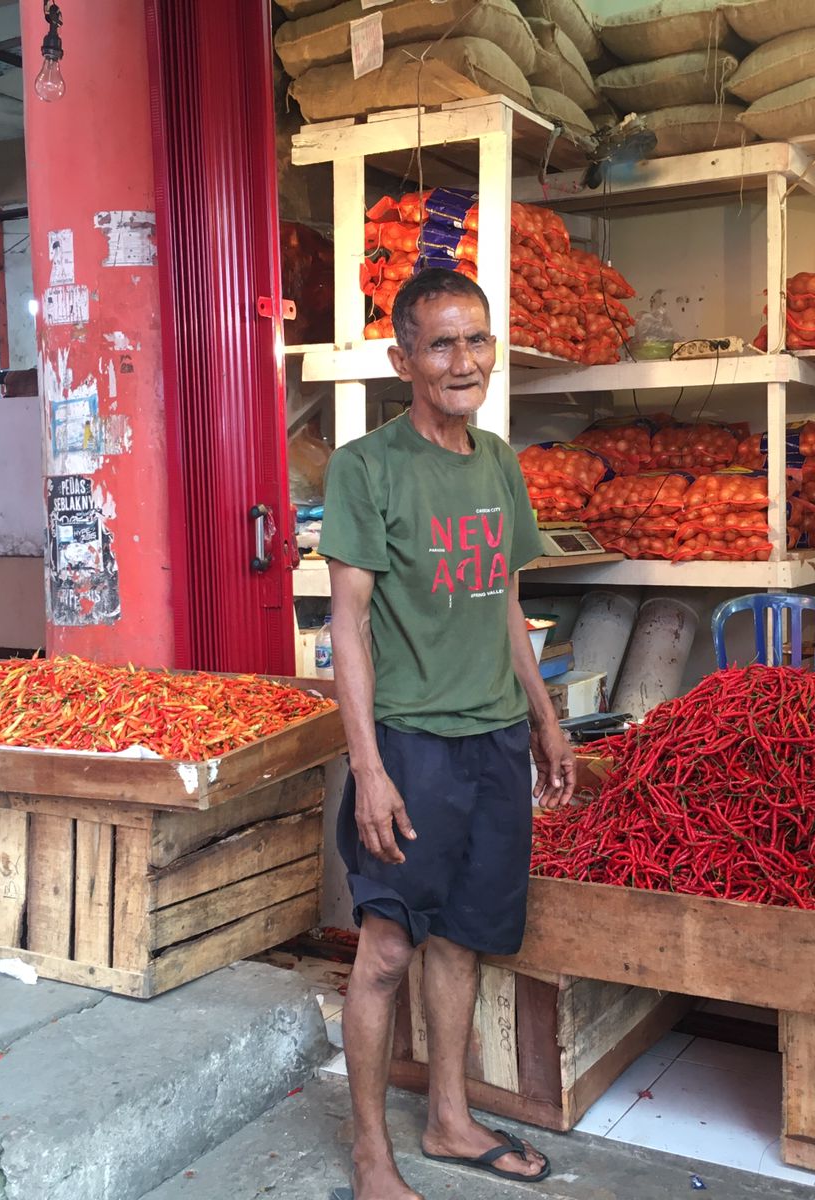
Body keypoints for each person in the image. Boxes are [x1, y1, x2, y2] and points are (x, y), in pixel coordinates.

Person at [320, 267, 576, 1200]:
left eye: (476, 340)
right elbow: (347, 625)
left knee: (463, 939)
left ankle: (449, 1121)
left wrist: (543, 716)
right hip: (411, 746)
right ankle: (370, 1155)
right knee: (388, 949)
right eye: (440, 344)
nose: (463, 361)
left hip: (495, 741)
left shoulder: (499, 461)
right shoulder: (367, 467)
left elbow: (506, 598)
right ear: (404, 361)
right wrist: (369, 767)